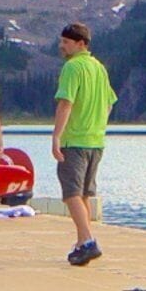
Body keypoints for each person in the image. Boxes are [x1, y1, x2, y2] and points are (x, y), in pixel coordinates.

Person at [51, 21, 113, 267]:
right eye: (61, 41)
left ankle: (88, 240)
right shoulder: (99, 68)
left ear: (81, 44)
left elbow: (65, 102)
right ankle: (80, 243)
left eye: (66, 42)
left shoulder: (72, 67)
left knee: (71, 193)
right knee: (85, 193)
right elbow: (109, 102)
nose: (62, 46)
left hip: (75, 139)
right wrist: (99, 124)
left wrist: (56, 135)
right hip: (96, 140)